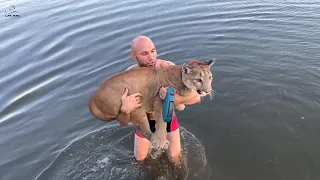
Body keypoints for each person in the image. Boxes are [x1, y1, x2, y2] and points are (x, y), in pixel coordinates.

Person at [116, 35, 201, 164]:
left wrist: (174, 99)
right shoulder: (129, 77)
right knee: (140, 160)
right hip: (144, 122)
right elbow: (122, 122)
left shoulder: (168, 68)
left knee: (176, 158)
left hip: (167, 118)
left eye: (153, 51)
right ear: (134, 56)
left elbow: (196, 97)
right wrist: (125, 110)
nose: (151, 57)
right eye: (145, 53)